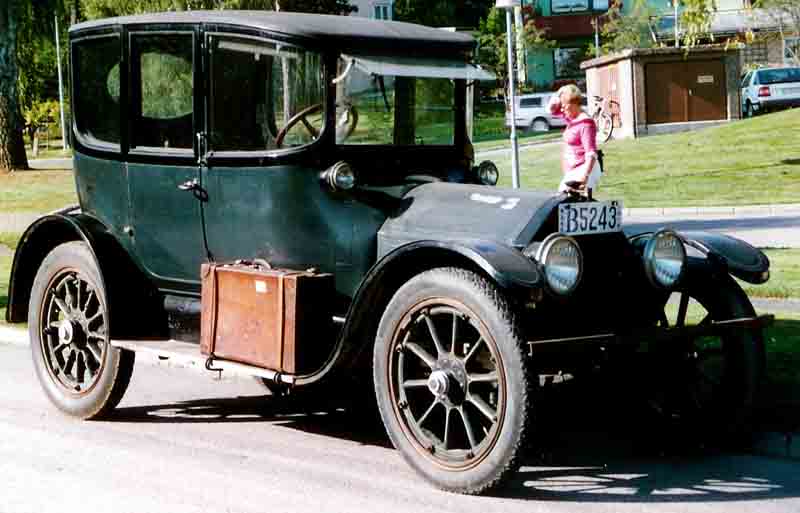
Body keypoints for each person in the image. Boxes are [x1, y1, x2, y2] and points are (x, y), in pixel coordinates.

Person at [548, 84, 601, 195]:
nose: (562, 109)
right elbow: (552, 109)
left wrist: (584, 177)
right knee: (563, 202)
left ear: (573, 104)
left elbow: (591, 153)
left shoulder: (585, 123)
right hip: (573, 170)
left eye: (564, 105)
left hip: (583, 170)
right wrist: (558, 95)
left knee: (566, 202)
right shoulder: (572, 118)